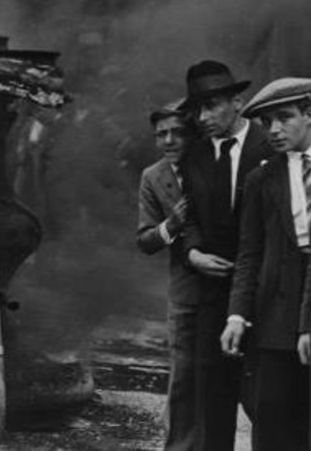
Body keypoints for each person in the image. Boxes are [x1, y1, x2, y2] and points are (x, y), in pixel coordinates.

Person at [219, 77, 311, 450]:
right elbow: (249, 253)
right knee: (273, 416)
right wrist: (237, 315)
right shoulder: (262, 178)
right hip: (276, 314)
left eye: (284, 117)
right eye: (267, 122)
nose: (275, 130)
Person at [178, 60, 274, 449]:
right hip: (212, 293)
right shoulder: (195, 155)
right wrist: (193, 253)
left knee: (267, 400)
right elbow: (190, 217)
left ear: (239, 101)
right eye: (197, 109)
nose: (203, 117)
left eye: (212, 105)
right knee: (212, 400)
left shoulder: (269, 147)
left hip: (264, 292)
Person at [135, 98, 202, 451]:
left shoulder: (212, 163)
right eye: (162, 134)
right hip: (186, 290)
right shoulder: (154, 176)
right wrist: (171, 225)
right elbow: (145, 241)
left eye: (178, 132)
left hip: (232, 285)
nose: (170, 141)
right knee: (184, 379)